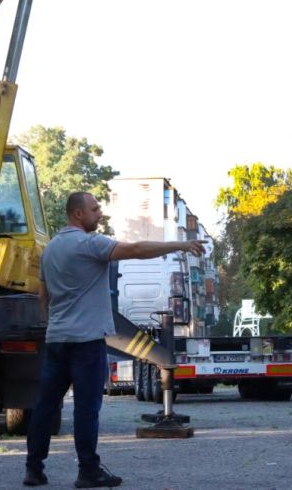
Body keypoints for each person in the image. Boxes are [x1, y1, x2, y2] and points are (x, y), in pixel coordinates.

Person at [23, 192, 206, 488]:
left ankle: (33, 469)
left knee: (46, 405)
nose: (100, 213)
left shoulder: (50, 250)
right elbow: (136, 249)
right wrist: (180, 245)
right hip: (87, 342)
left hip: (56, 339)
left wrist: (53, 326)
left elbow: (42, 298)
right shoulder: (90, 243)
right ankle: (88, 471)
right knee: (86, 408)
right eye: (95, 209)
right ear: (78, 213)